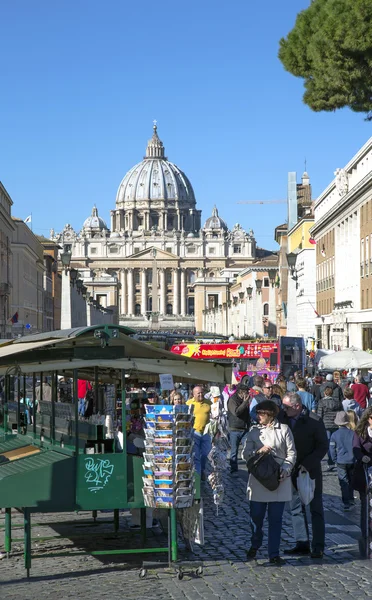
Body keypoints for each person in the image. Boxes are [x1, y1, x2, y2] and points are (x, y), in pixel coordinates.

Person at [242, 400, 296, 564]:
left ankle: (273, 553)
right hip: (259, 479)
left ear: (270, 414)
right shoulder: (253, 431)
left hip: (278, 479)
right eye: (257, 413)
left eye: (261, 413)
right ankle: (255, 542)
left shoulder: (284, 429)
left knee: (276, 520)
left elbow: (291, 453)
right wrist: (259, 451)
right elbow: (245, 454)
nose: (258, 416)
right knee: (256, 517)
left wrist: (286, 469)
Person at [280, 392, 328, 559]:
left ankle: (318, 546)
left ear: (297, 406)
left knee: (315, 508)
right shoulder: (283, 417)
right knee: (295, 508)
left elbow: (323, 446)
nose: (283, 409)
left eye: (286, 407)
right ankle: (302, 542)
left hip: (310, 471)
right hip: (290, 469)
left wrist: (307, 464)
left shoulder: (314, 420)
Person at [352, 407, 372, 556]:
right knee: (366, 504)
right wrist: (361, 457)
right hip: (365, 470)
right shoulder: (360, 432)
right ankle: (366, 534)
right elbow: (356, 448)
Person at [329, 411, 355, 511]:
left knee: (344, 482)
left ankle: (346, 502)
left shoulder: (335, 435)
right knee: (351, 480)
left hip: (341, 461)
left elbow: (332, 449)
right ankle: (351, 498)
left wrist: (335, 459)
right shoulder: (353, 433)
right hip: (352, 460)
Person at [186, 386, 211, 479]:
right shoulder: (189, 403)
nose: (201, 394)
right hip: (194, 433)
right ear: (193, 394)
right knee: (196, 456)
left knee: (205, 454)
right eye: (198, 393)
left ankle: (203, 469)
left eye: (202, 392)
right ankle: (198, 477)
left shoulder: (209, 403)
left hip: (206, 432)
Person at [317, 385, 343, 471]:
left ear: (324, 393)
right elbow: (341, 413)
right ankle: (337, 460)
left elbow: (319, 415)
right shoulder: (338, 402)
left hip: (326, 425)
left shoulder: (321, 402)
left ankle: (331, 462)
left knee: (329, 444)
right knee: (337, 444)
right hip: (336, 424)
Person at [227, 383, 251, 474]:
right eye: (246, 392)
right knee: (234, 451)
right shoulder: (232, 400)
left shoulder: (245, 400)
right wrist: (245, 403)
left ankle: (250, 469)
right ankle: (234, 470)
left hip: (244, 428)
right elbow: (236, 412)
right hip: (234, 429)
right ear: (241, 392)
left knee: (248, 449)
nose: (248, 394)